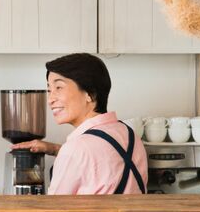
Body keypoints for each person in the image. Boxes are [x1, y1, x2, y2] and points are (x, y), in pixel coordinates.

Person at [12, 53, 148, 195]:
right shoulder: (129, 134)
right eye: (49, 90)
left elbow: (53, 210)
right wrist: (54, 149)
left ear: (90, 94)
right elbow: (102, 160)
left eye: (59, 87)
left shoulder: (76, 149)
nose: (50, 99)